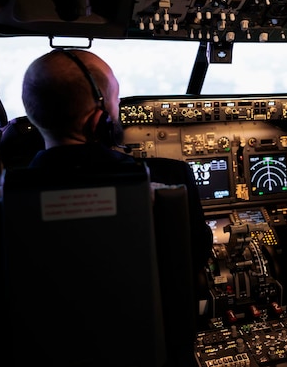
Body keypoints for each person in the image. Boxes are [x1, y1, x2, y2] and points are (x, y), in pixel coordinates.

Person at [22, 48, 212, 270]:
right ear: (99, 119)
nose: (119, 103)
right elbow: (195, 258)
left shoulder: (9, 198)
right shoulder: (170, 180)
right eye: (116, 99)